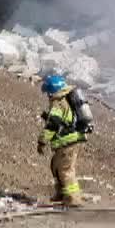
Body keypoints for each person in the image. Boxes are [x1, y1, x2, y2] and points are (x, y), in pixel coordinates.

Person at [37, 73, 92, 207]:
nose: (48, 96)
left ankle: (73, 199)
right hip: (69, 140)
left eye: (48, 92)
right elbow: (63, 120)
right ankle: (61, 194)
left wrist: (42, 140)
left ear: (52, 90)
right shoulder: (66, 99)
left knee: (65, 170)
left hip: (67, 141)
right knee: (56, 166)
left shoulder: (58, 103)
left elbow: (53, 124)